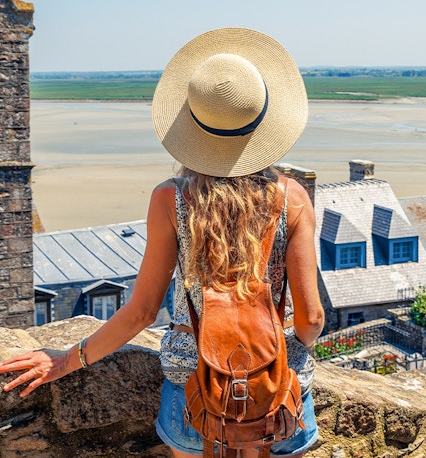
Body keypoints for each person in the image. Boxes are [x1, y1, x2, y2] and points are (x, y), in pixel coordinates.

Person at [0, 27, 324, 458]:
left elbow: (142, 312)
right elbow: (312, 319)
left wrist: (66, 360)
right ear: (265, 121)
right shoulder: (293, 199)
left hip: (194, 394)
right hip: (279, 399)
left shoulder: (171, 200)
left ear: (192, 125)